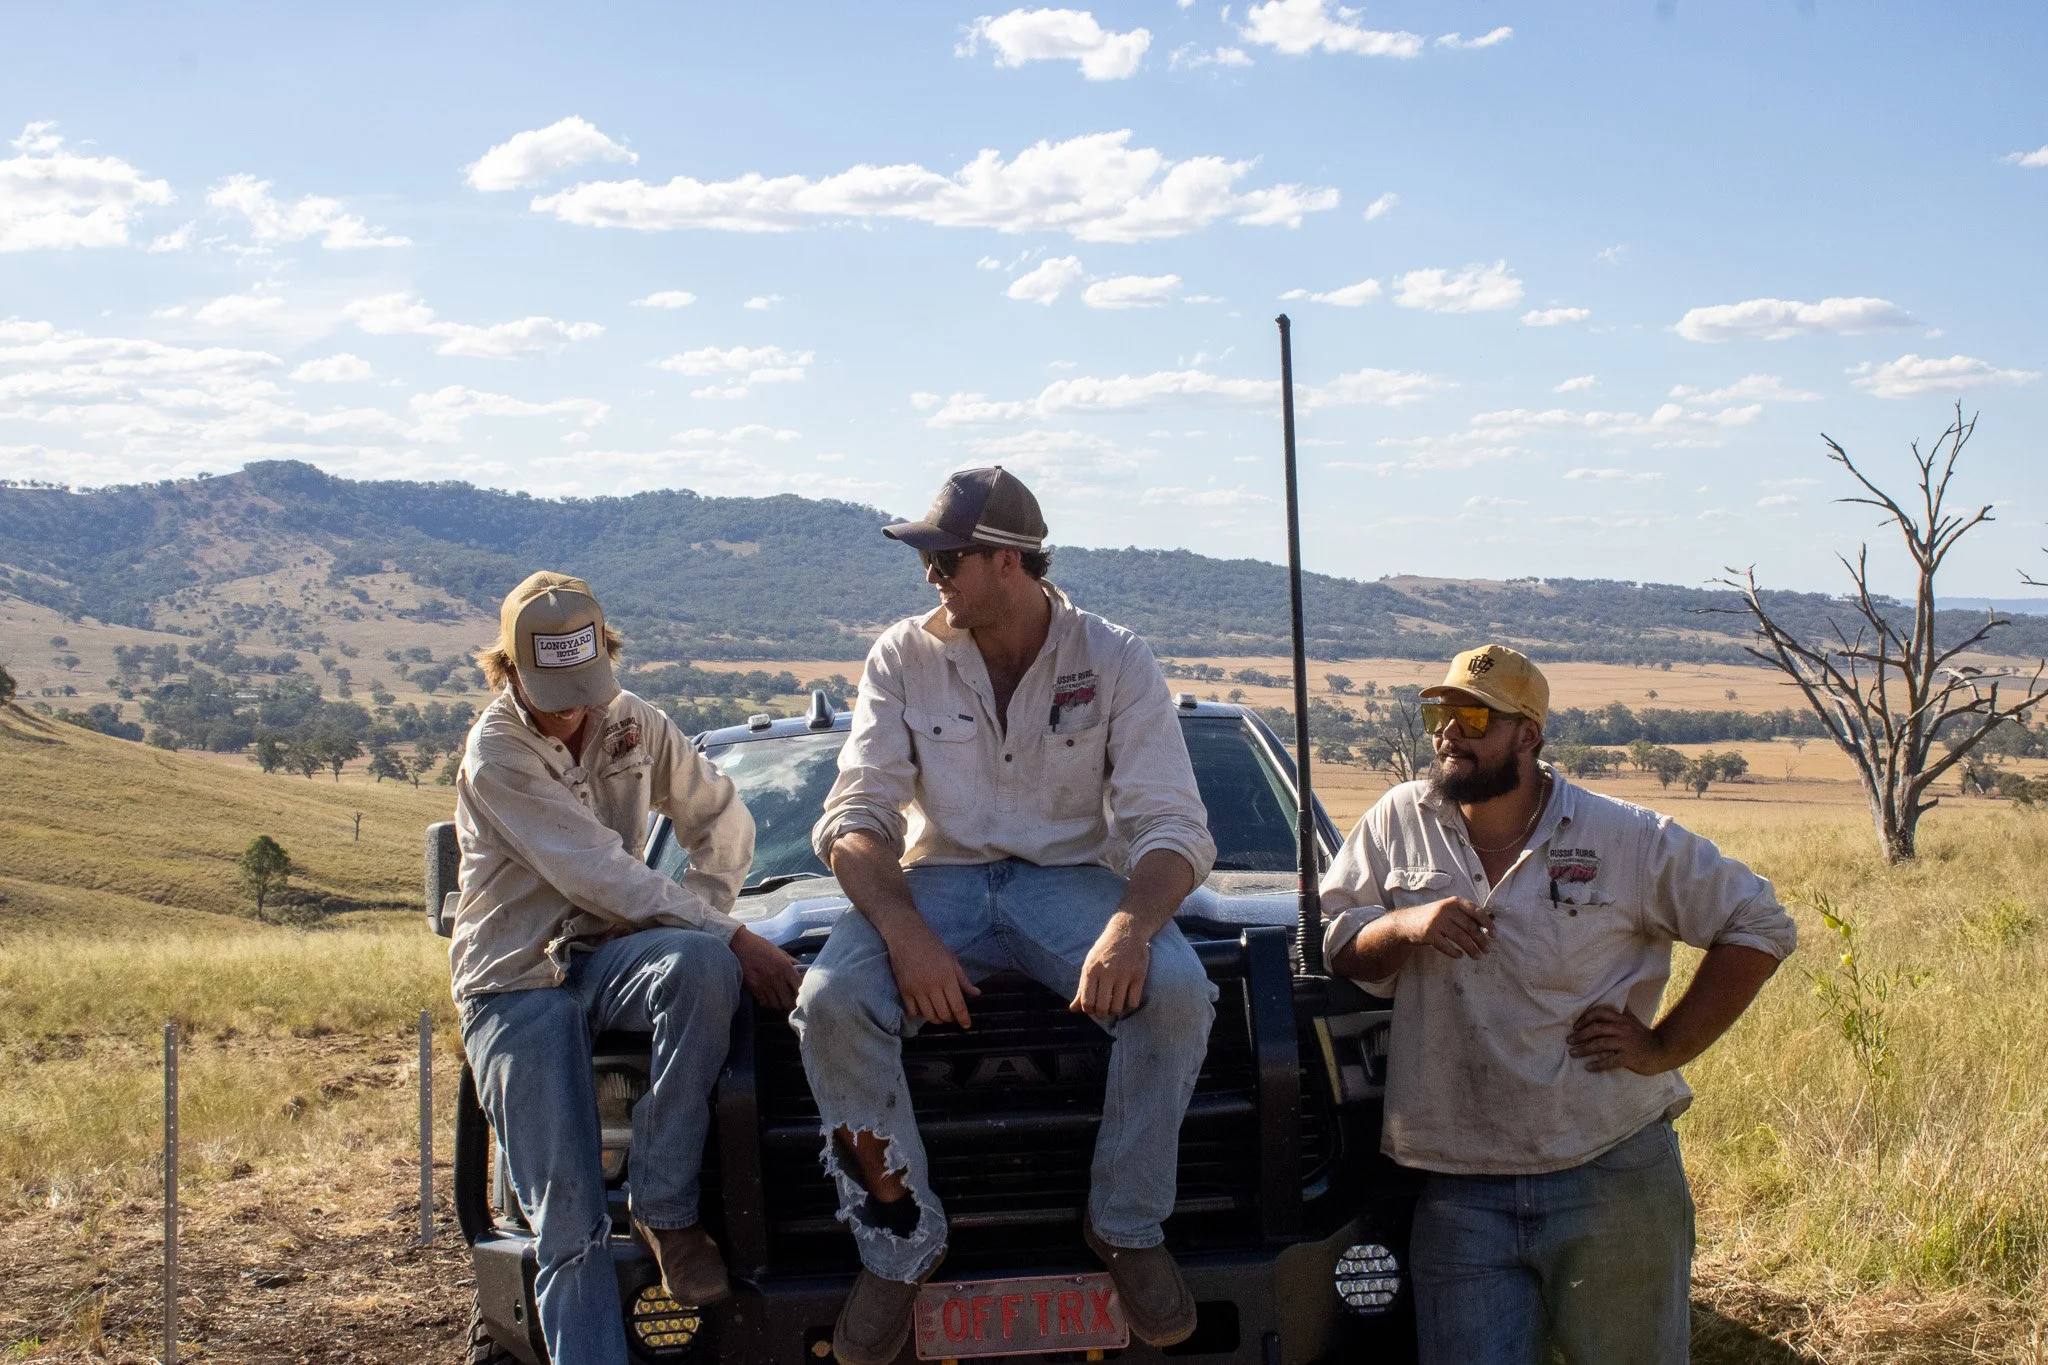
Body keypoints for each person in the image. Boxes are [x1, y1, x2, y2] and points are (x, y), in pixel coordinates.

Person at [793, 467, 1220, 1365]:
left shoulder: (1115, 657)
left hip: (1070, 881)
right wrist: (907, 936)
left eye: (947, 557)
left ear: (1008, 562)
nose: (932, 574)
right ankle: (901, 1240)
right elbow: (854, 817)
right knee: (830, 1001)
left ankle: (1127, 1223)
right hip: (937, 881)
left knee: (1179, 990)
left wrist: (1131, 928)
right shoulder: (902, 655)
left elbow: (1173, 823)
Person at [1321, 645, 1796, 1364]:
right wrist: (1404, 925)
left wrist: (1663, 1046)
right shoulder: (1397, 821)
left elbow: (1760, 924)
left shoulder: (1624, 836)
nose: (1448, 732)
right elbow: (1337, 940)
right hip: (1460, 1186)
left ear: (1528, 735)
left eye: (1472, 715)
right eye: (1438, 713)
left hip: (1610, 1172)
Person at [450, 571, 801, 1365]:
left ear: (606, 657)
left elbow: (722, 816)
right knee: (568, 1222)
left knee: (701, 965)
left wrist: (704, 914)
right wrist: (731, 931)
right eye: (550, 691)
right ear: (508, 673)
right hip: (517, 982)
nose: (571, 707)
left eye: (585, 685)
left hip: (608, 957)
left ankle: (665, 1199)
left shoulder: (634, 722)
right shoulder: (497, 752)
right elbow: (599, 873)